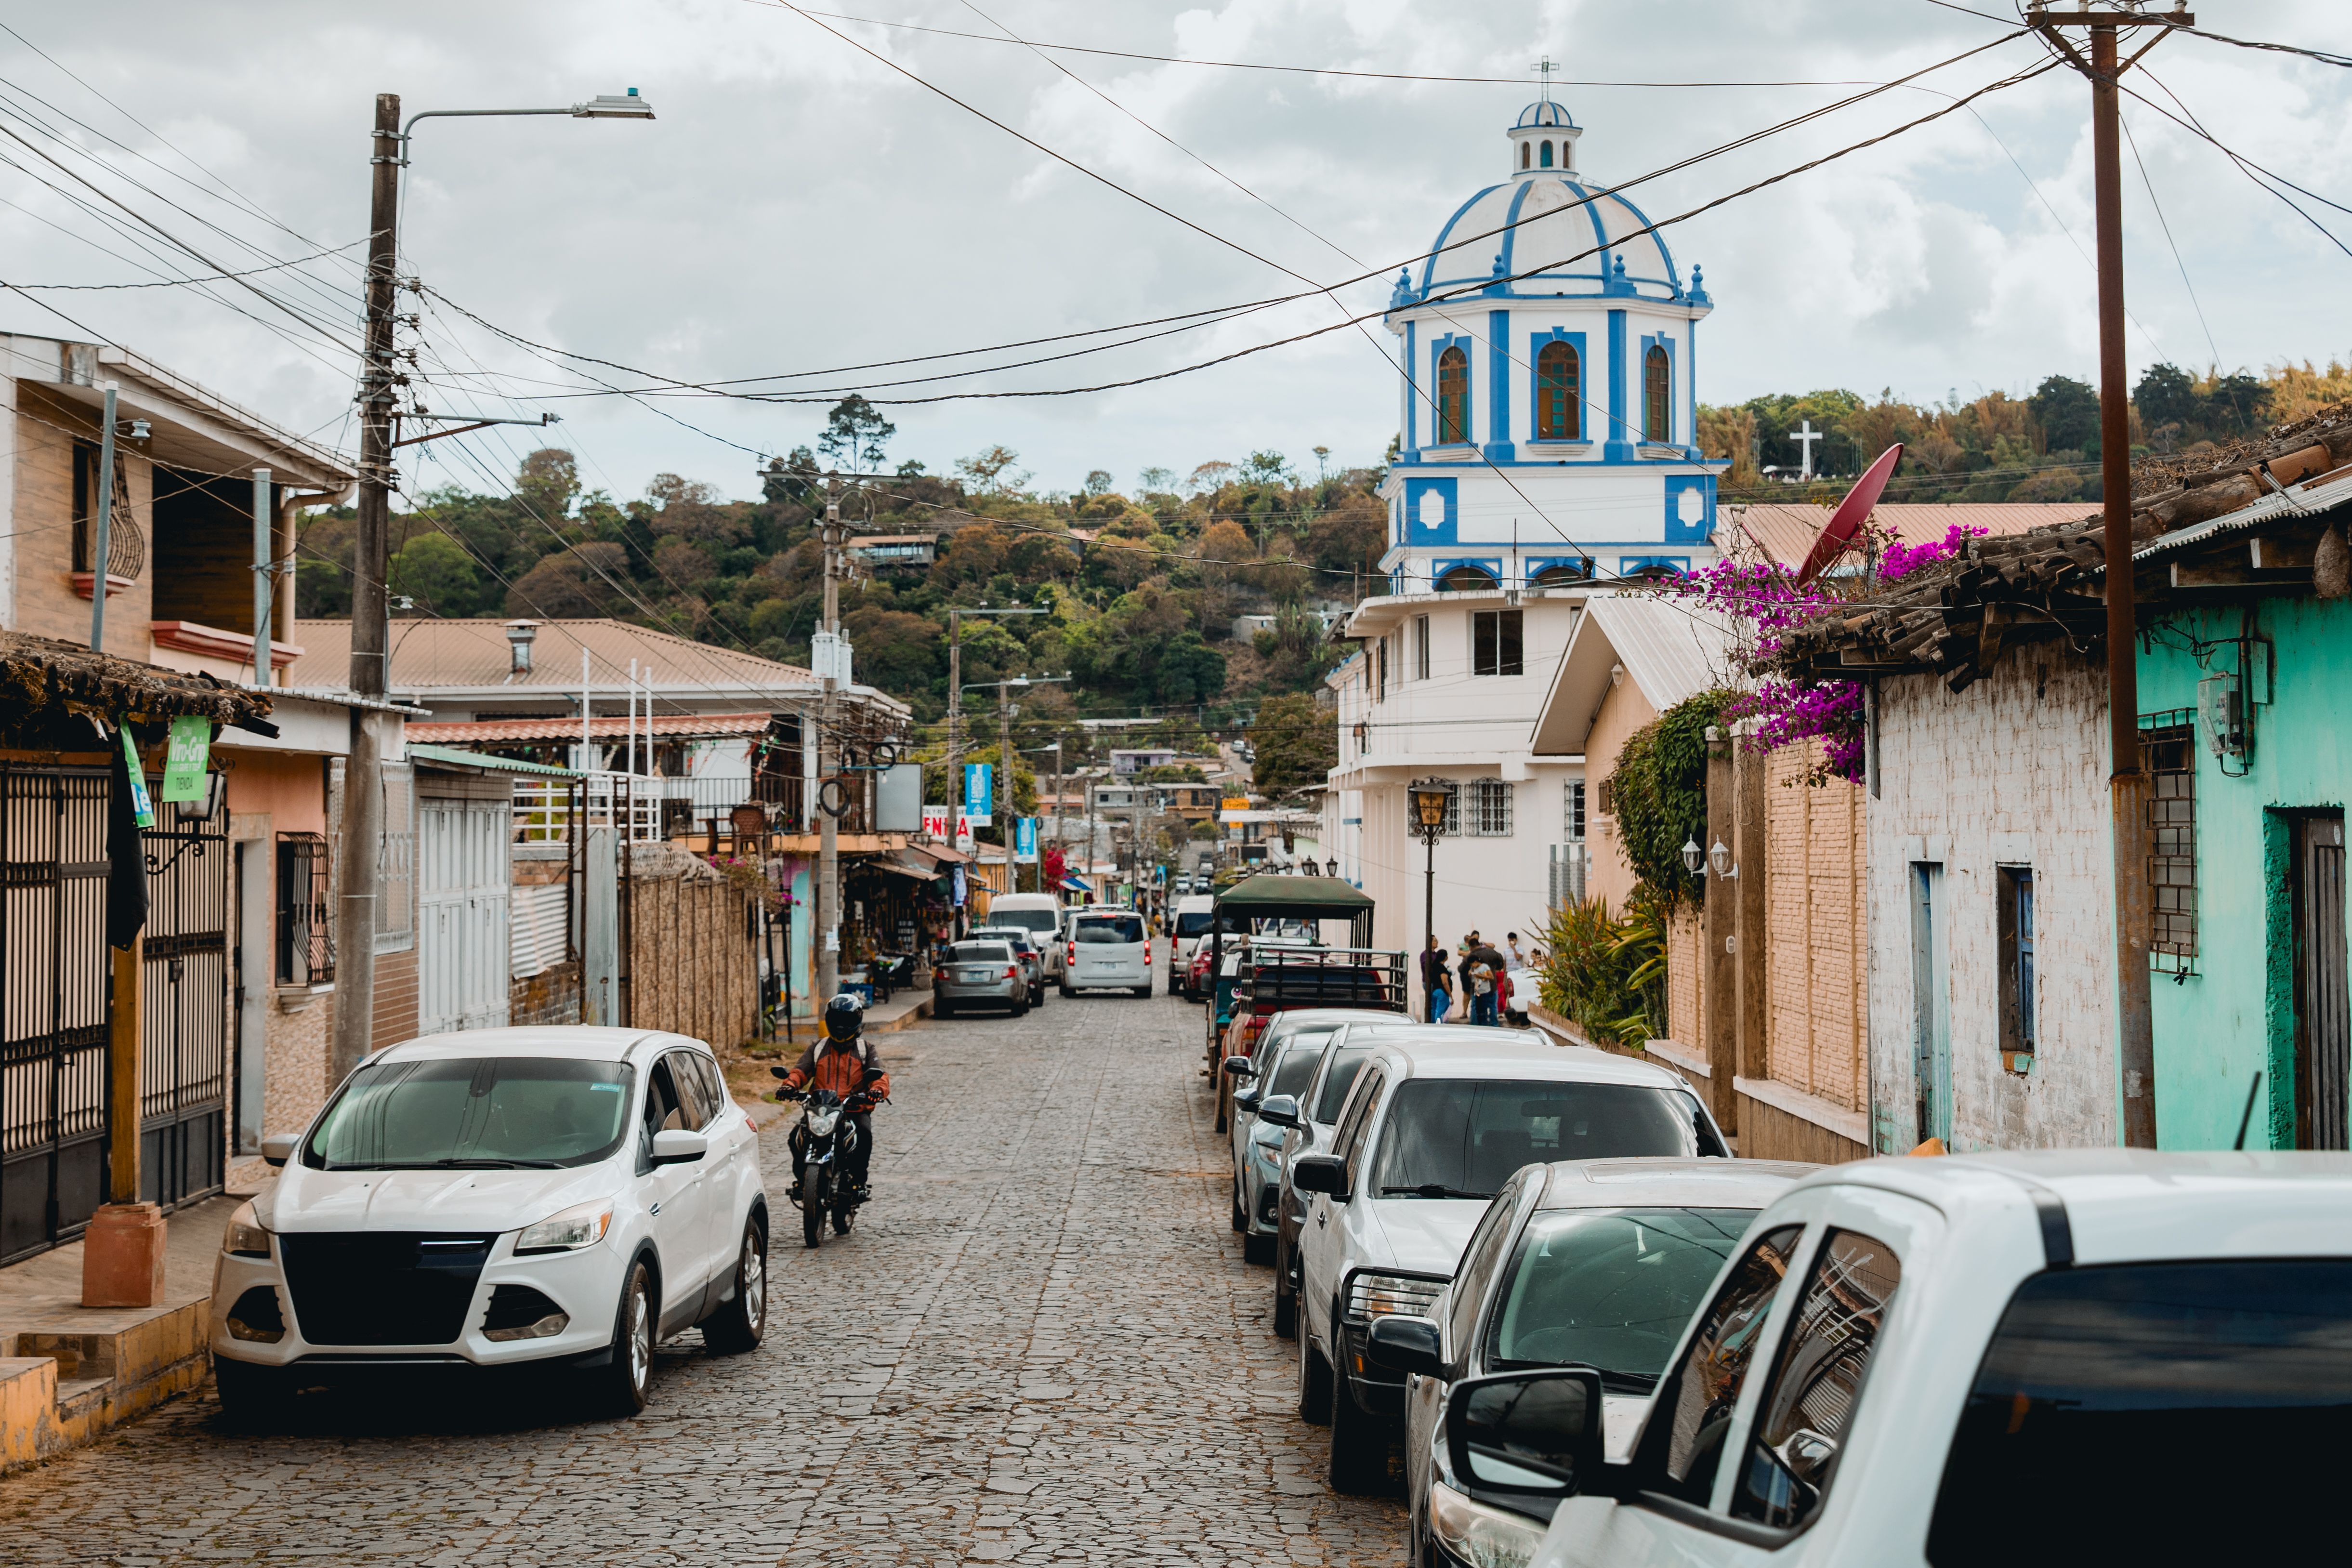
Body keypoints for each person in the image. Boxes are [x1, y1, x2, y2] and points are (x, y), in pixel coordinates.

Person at [775, 993, 891, 1198]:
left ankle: (858, 1181)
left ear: (856, 1021)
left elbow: (879, 1075)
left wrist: (876, 1091)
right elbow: (800, 1071)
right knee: (795, 1138)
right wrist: (789, 1086)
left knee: (864, 1134)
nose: (840, 1026)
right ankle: (803, 1181)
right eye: (837, 1020)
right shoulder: (818, 1048)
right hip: (821, 1109)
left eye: (845, 1021)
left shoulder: (866, 1049)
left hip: (853, 1109)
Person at [1464, 936, 1508, 1027]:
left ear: (1471, 947)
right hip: (1492, 986)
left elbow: (1462, 970)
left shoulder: (1471, 956)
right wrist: (1497, 968)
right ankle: (1494, 1026)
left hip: (1477, 989)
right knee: (1493, 1007)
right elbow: (1501, 959)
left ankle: (1476, 1027)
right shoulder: (1491, 952)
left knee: (1476, 1008)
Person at [1419, 935, 1453, 1023]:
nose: (1437, 942)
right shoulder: (1426, 954)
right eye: (1434, 941)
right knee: (1436, 1006)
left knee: (1435, 1005)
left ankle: (1434, 1021)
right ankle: (1436, 1022)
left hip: (1435, 983)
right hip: (1431, 983)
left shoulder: (1435, 955)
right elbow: (1426, 967)